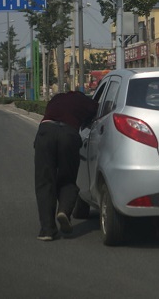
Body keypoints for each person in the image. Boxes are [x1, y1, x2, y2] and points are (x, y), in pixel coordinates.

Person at [33, 91, 98, 241]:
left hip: (45, 132)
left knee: (44, 182)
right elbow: (98, 114)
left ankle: (47, 230)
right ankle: (63, 211)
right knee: (67, 178)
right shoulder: (86, 102)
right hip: (68, 135)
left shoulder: (56, 99)